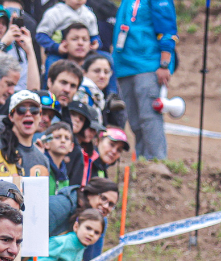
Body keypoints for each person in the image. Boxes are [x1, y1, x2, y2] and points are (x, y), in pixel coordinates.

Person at [112, 0, 176, 161]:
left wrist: (164, 63)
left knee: (149, 117)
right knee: (134, 120)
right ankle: (142, 164)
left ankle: (157, 162)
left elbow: (167, 28)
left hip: (148, 64)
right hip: (124, 67)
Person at [0, 90, 50, 180]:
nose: (28, 114)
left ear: (40, 116)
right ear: (11, 116)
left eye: (34, 110)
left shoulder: (43, 160)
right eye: (21, 110)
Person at [36, 0, 101, 58]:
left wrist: (96, 43)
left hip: (84, 55)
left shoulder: (89, 14)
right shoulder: (54, 13)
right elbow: (41, 35)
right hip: (59, 55)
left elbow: (94, 35)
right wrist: (56, 47)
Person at [42, 122, 74, 195]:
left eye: (67, 138)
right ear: (46, 143)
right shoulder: (41, 166)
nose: (63, 141)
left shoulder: (64, 175)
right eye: (57, 137)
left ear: (71, 147)